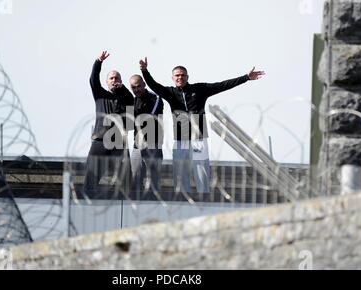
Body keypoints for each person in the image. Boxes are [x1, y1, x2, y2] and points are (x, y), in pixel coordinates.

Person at [139, 57, 264, 194]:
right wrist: (145, 71)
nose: (180, 77)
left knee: (201, 172)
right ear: (172, 78)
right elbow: (154, 85)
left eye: (182, 75)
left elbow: (223, 85)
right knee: (180, 174)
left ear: (187, 77)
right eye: (177, 75)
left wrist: (246, 77)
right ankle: (182, 198)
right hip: (180, 140)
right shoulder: (170, 93)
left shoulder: (200, 89)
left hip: (199, 138)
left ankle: (203, 196)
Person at [83, 51, 134, 196]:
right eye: (111, 78)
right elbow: (93, 79)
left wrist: (122, 89)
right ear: (107, 82)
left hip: (119, 143)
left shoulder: (126, 98)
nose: (114, 80)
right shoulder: (100, 95)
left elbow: (131, 102)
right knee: (91, 175)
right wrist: (98, 61)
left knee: (125, 178)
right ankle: (88, 200)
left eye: (117, 78)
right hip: (100, 141)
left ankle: (123, 204)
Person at [129, 75, 164, 196]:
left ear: (144, 84)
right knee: (134, 178)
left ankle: (153, 203)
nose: (136, 89)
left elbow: (146, 118)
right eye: (133, 87)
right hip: (137, 145)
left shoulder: (155, 98)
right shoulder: (133, 100)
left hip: (153, 144)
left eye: (139, 86)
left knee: (153, 180)